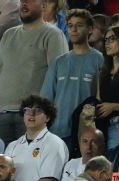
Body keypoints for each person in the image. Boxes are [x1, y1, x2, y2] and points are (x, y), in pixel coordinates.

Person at [0, 0, 66, 142]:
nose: (24, 3)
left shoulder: (53, 34)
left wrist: (43, 113)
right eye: (22, 0)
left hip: (33, 116)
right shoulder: (8, 34)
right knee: (2, 163)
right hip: (2, 115)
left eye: (29, 0)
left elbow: (59, 78)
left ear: (43, 5)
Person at [41, 10, 102, 141]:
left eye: (79, 25)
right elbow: (46, 99)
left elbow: (101, 98)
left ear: (90, 29)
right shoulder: (59, 61)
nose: (73, 29)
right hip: (57, 131)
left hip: (86, 133)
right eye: (70, 25)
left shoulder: (100, 59)